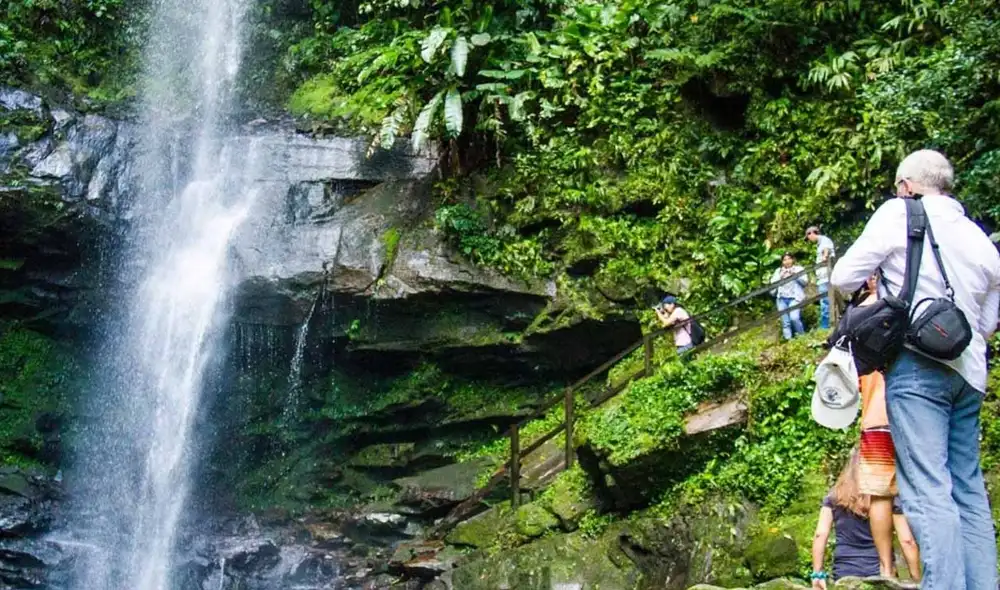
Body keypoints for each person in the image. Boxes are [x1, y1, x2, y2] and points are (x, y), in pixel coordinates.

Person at [830, 149, 1000, 589]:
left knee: (926, 486)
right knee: (967, 488)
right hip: (969, 374)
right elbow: (984, 325)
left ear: (907, 186)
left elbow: (843, 276)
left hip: (916, 367)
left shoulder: (898, 214)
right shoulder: (981, 240)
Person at [855, 272, 921, 580]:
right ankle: (922, 573)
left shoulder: (860, 321)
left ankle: (885, 568)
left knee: (880, 496)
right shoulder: (906, 308)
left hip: (875, 421)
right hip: (911, 413)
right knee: (921, 488)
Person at [811, 449, 920, 588]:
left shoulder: (834, 496)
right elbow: (907, 541)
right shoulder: (887, 497)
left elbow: (820, 534)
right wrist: (916, 579)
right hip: (880, 572)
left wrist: (817, 574)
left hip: (844, 571)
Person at [769, 252, 807, 340]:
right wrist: (780, 276)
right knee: (785, 322)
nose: (787, 261)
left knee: (794, 318)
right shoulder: (778, 271)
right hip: (781, 299)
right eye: (785, 260)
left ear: (793, 259)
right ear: (782, 262)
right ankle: (789, 341)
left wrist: (795, 275)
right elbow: (772, 284)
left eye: (789, 259)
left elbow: (805, 282)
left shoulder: (799, 269)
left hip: (794, 298)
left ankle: (803, 338)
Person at [806, 226, 836, 329]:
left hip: (826, 277)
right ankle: (828, 324)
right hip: (822, 277)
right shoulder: (820, 243)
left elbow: (826, 249)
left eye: (808, 236)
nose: (809, 239)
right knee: (827, 301)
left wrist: (825, 256)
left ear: (811, 233)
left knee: (825, 302)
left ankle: (825, 327)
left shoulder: (824, 240)